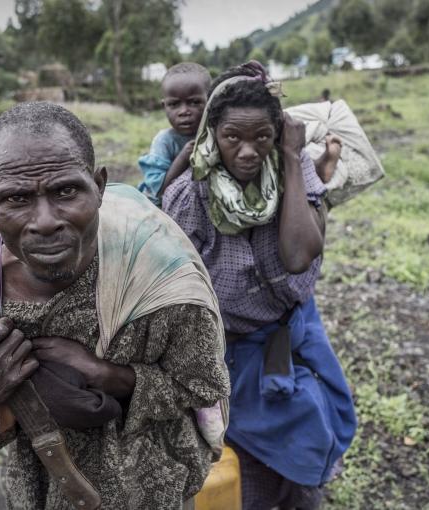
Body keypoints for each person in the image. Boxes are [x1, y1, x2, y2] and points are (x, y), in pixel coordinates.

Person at [0, 102, 230, 509]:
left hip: (154, 492)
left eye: (66, 191)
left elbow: (203, 387)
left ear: (100, 185)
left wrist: (110, 376)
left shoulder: (161, 283)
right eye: (17, 199)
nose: (45, 221)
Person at [162, 62, 356, 510]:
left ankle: (302, 491)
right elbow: (174, 282)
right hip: (226, 347)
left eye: (262, 138)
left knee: (310, 430)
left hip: (291, 330)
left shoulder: (293, 168)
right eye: (233, 138)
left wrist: (290, 155)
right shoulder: (193, 191)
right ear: (214, 135)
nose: (248, 151)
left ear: (278, 135)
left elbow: (298, 256)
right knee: (240, 455)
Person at [138, 62, 211, 205]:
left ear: (210, 102)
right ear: (164, 106)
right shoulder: (164, 140)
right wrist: (184, 157)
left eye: (194, 102)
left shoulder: (214, 134)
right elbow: (158, 191)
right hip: (165, 209)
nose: (184, 111)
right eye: (174, 104)